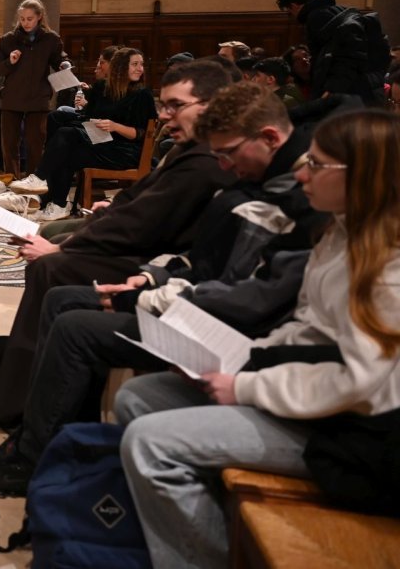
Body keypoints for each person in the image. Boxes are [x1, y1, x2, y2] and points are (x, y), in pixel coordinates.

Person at [0, 82, 325, 496]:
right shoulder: (258, 180)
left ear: (269, 138)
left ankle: (32, 459)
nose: (224, 164)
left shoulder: (293, 203)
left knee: (72, 318)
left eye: (317, 165)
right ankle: (51, 436)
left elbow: (249, 291)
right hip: (197, 302)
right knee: (63, 298)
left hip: (220, 330)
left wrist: (144, 294)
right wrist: (154, 279)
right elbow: (206, 256)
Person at [116, 108, 400, 569]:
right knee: (140, 396)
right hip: (312, 400)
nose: (301, 171)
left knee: (151, 443)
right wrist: (238, 358)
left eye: (317, 164)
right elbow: (308, 327)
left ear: (363, 175)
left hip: (350, 433)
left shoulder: (390, 268)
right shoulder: (339, 233)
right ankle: (190, 532)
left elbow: (356, 384)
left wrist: (245, 386)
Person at [0, 60, 237, 426]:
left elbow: (142, 224)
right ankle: (22, 385)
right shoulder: (189, 149)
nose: (165, 116)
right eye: (163, 105)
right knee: (56, 234)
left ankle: (22, 401)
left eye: (175, 107)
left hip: (154, 262)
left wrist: (65, 249)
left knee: (51, 264)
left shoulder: (206, 160)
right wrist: (106, 210)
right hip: (148, 248)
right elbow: (142, 201)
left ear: (213, 105)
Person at [10, 48, 157, 221]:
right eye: (135, 64)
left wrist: (115, 126)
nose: (140, 68)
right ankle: (57, 203)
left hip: (126, 150)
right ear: (120, 67)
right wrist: (94, 124)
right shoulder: (102, 87)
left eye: (141, 64)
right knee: (64, 138)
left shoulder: (142, 95)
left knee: (67, 139)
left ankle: (44, 185)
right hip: (102, 141)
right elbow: (88, 117)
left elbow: (141, 134)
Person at [277, 0, 390, 103]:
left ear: (294, 6)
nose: (292, 16)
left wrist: (333, 88)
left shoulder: (316, 17)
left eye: (290, 12)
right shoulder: (339, 10)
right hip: (367, 79)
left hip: (350, 87)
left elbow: (346, 51)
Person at [0, 0, 64, 177]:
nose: (25, 22)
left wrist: (65, 64)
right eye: (22, 18)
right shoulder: (8, 40)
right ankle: (12, 181)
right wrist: (9, 62)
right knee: (9, 145)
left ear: (39, 17)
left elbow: (60, 59)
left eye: (29, 18)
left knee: (35, 144)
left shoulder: (50, 39)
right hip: (12, 98)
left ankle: (33, 181)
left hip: (38, 98)